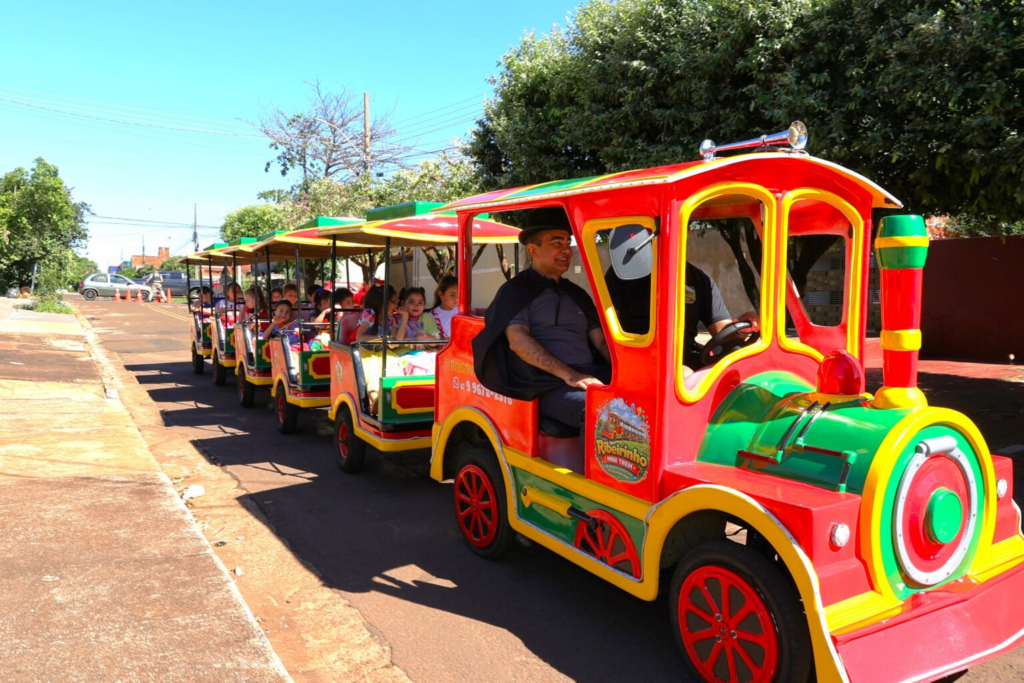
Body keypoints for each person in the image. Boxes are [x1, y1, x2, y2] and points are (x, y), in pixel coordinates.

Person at [474, 207, 610, 431]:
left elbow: (602, 342)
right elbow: (518, 341)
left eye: (568, 243)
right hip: (547, 383)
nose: (566, 250)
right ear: (533, 250)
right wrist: (570, 375)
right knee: (606, 412)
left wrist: (629, 373)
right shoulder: (515, 291)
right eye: (557, 243)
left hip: (590, 375)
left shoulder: (577, 294)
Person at [605, 265, 759, 374]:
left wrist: (743, 328)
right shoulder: (622, 275)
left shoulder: (699, 280)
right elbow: (608, 329)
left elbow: (722, 330)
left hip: (686, 359)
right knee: (685, 375)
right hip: (638, 361)